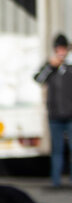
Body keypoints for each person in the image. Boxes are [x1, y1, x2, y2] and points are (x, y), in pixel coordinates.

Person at [37, 33, 72, 189]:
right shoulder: (49, 66)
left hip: (71, 115)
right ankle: (56, 180)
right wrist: (50, 66)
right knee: (56, 149)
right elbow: (38, 79)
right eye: (58, 49)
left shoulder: (70, 66)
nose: (61, 52)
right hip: (55, 115)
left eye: (63, 49)